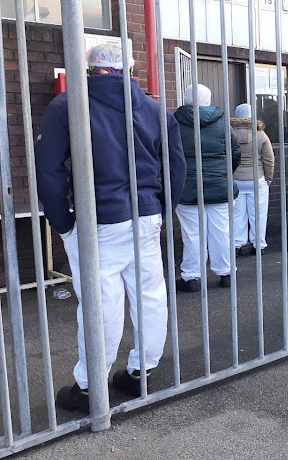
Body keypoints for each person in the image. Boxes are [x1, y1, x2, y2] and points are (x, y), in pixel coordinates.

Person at [35, 43, 186, 412]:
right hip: (146, 215)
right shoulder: (155, 110)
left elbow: (49, 172)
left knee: (101, 303)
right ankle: (142, 373)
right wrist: (160, 209)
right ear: (130, 69)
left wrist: (64, 222)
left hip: (98, 220)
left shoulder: (67, 106)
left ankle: (90, 388)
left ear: (88, 69)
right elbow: (177, 168)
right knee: (150, 294)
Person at [174, 84, 241, 291]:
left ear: (186, 99)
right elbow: (234, 152)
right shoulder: (222, 122)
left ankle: (191, 277)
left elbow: (168, 155)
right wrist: (223, 174)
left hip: (187, 190)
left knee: (192, 235)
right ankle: (226, 273)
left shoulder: (174, 122)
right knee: (221, 232)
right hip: (219, 187)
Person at [231, 103, 275, 256]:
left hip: (236, 180)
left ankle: (236, 244)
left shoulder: (229, 134)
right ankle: (259, 245)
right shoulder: (261, 134)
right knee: (259, 214)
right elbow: (269, 159)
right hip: (257, 179)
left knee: (237, 214)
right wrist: (268, 179)